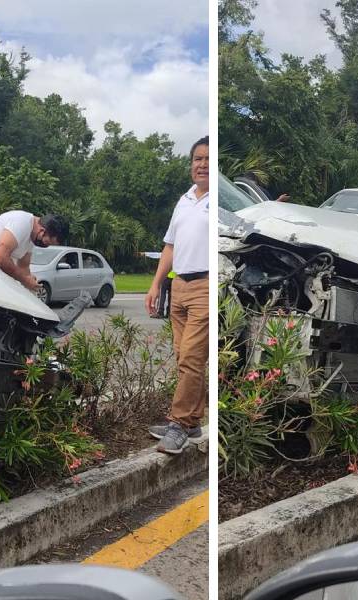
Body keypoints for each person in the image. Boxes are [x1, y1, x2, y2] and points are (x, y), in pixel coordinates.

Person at [145, 136, 209, 454]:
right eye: (198, 158)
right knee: (185, 358)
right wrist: (156, 284)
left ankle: (179, 424)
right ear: (191, 165)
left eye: (209, 159)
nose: (203, 164)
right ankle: (193, 422)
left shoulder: (218, 201)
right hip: (179, 286)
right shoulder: (184, 201)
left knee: (193, 358)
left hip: (206, 286)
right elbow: (169, 245)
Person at [0, 211, 68, 291]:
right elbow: (0, 256)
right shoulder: (21, 223)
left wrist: (31, 281)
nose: (45, 246)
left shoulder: (32, 237)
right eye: (47, 242)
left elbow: (24, 266)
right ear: (42, 231)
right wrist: (25, 280)